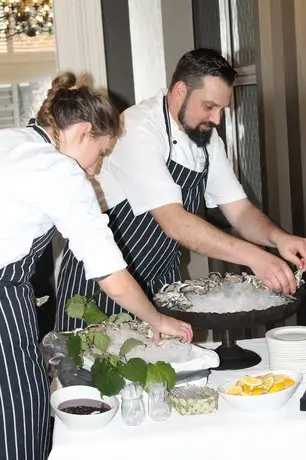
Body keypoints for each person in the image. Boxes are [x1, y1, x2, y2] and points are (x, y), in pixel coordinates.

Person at [0, 72, 192, 460]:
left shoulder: (11, 140)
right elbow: (112, 277)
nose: (97, 167)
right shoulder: (61, 171)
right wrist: (156, 320)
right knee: (21, 414)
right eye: (101, 153)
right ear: (85, 131)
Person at [56, 48, 306, 332]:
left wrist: (279, 238)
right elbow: (175, 223)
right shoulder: (136, 130)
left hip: (161, 281)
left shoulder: (205, 139)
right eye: (210, 106)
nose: (217, 120)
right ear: (179, 91)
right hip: (104, 285)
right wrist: (256, 257)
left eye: (222, 109)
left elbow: (239, 210)